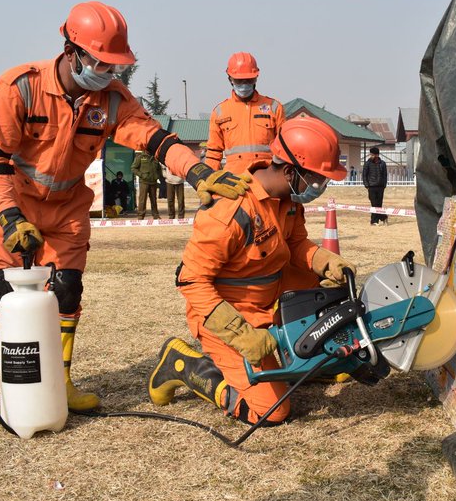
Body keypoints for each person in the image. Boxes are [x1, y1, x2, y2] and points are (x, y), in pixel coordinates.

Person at [0, 1, 256, 424]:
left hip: (67, 209)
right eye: (101, 63)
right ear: (71, 52)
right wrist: (10, 217)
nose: (108, 73)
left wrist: (196, 171)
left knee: (67, 291)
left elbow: (154, 137)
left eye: (114, 66)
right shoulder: (19, 87)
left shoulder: (112, 99)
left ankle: (61, 383)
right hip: (14, 202)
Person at [148, 117, 354, 426]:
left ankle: (301, 360)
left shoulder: (287, 200)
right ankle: (184, 365)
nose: (320, 188)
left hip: (267, 307)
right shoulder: (231, 212)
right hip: (230, 317)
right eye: (317, 180)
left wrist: (325, 261)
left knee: (314, 282)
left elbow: (295, 243)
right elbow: (191, 281)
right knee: (271, 411)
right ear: (289, 171)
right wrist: (242, 335)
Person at [204, 52, 285, 175]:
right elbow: (213, 153)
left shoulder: (274, 107)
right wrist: (208, 179)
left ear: (256, 78)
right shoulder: (220, 112)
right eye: (239, 81)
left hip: (266, 179)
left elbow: (284, 147)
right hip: (234, 180)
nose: (244, 85)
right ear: (230, 79)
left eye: (249, 80)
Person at [131, 149, 161, 219]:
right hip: (144, 182)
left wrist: (157, 176)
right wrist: (142, 175)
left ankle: (155, 215)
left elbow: (159, 169)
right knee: (142, 200)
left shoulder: (155, 157)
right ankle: (141, 215)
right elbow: (133, 168)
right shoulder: (140, 157)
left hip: (153, 182)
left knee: (154, 200)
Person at [363, 145, 389, 225]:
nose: (371, 156)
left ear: (377, 155)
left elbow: (385, 175)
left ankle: (376, 220)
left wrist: (384, 185)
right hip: (371, 186)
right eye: (371, 154)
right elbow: (364, 175)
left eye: (373, 155)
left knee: (379, 204)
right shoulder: (367, 163)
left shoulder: (383, 164)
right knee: (374, 204)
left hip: (380, 187)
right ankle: (380, 218)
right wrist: (366, 185)